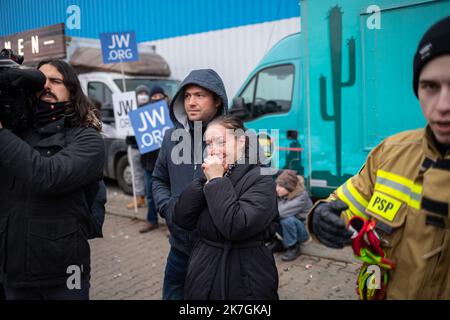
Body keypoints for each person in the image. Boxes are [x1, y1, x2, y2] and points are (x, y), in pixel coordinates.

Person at [307, 16, 450, 300]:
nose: (443, 106)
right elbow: (346, 205)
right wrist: (321, 217)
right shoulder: (392, 152)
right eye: (430, 86)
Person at [0, 59, 105, 299]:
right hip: (13, 273)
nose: (45, 86)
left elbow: (47, 177)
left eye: (55, 81)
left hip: (66, 274)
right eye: (39, 80)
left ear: (72, 91)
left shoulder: (87, 139)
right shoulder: (15, 134)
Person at [172, 115, 279, 299]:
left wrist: (216, 181)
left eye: (221, 142)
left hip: (245, 279)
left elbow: (236, 226)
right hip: (203, 271)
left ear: (240, 141)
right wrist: (202, 184)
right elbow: (181, 218)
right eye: (208, 144)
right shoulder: (212, 176)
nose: (213, 150)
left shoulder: (261, 179)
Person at [152, 69, 228, 299]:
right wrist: (168, 208)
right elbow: (159, 179)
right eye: (186, 96)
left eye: (199, 95)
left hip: (217, 252)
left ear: (217, 100)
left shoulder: (235, 139)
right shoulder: (170, 137)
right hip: (179, 249)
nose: (191, 102)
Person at [138, 84, 169, 233]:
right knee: (150, 195)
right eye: (154, 97)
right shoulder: (143, 116)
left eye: (159, 96)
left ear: (164, 97)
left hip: (167, 164)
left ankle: (172, 226)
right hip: (149, 163)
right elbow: (137, 140)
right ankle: (152, 221)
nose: (157, 99)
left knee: (170, 194)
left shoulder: (171, 114)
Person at [275, 170, 311, 261]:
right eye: (277, 185)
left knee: (286, 219)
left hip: (303, 232)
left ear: (289, 187)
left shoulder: (302, 196)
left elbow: (280, 212)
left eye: (280, 186)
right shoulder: (282, 193)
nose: (277, 189)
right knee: (269, 217)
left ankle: (293, 247)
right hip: (290, 228)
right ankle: (278, 243)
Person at [125, 84, 150, 210]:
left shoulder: (152, 109)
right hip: (134, 146)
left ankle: (150, 197)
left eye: (145, 93)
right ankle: (139, 198)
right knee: (136, 173)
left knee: (148, 173)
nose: (143, 96)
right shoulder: (129, 109)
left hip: (148, 147)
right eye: (140, 93)